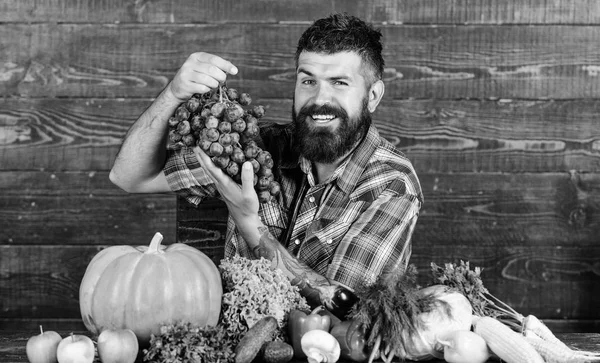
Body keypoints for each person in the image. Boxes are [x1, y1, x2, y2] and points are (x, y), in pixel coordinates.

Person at [109, 13, 423, 318]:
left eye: (339, 82)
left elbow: (350, 312)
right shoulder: (255, 148)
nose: (319, 98)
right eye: (308, 80)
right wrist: (173, 94)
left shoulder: (391, 184)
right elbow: (130, 176)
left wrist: (250, 224)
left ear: (372, 96)